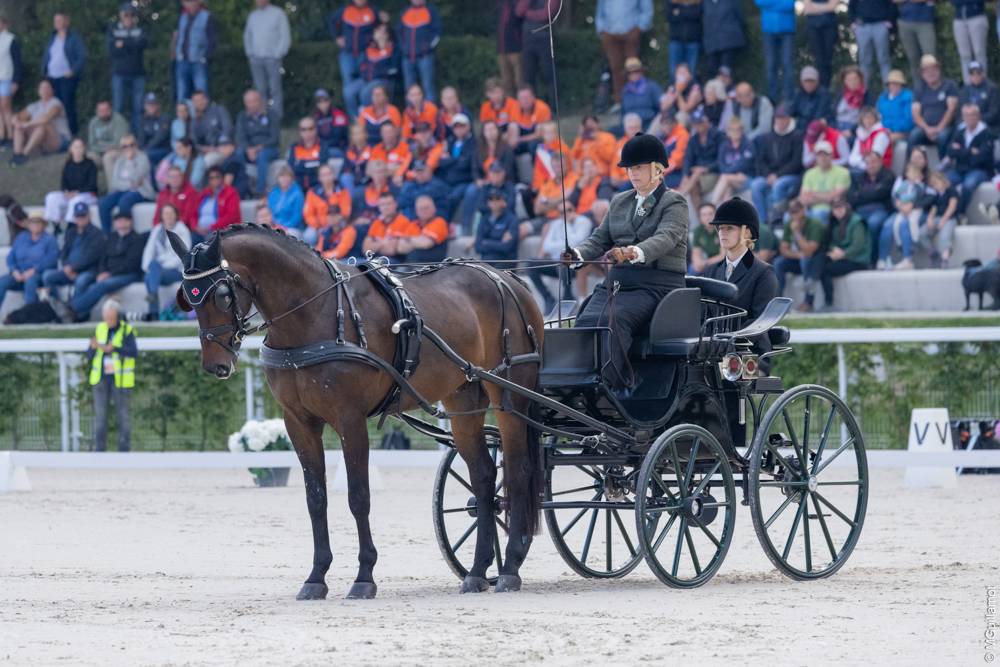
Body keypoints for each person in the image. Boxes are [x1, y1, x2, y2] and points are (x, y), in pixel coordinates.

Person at [564, 133, 689, 392]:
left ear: (658, 169)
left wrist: (633, 252)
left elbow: (666, 238)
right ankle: (576, 384)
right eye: (630, 168)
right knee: (586, 320)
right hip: (618, 282)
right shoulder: (620, 201)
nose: (633, 173)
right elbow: (599, 239)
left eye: (639, 167)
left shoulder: (674, 202)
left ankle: (612, 386)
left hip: (656, 284)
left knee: (615, 320)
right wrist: (577, 255)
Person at [704, 197, 778, 371]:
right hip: (712, 353)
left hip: (749, 353)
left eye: (729, 228)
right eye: (720, 228)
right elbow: (702, 317)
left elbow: (760, 321)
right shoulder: (711, 272)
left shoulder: (763, 273)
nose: (722, 233)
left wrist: (726, 339)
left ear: (747, 232)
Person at [51, 211, 144, 323]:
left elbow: (131, 264)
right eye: (118, 220)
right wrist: (102, 272)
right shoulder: (112, 237)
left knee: (102, 285)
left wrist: (109, 274)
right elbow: (103, 258)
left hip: (129, 274)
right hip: (108, 273)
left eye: (124, 220)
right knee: (86, 282)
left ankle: (71, 308)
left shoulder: (137, 239)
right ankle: (78, 315)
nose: (121, 223)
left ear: (130, 222)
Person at [87, 300, 136, 452]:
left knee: (123, 417)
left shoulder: (126, 330)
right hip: (101, 379)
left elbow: (133, 352)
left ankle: (124, 450)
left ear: (118, 316)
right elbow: (89, 355)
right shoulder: (100, 328)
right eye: (106, 318)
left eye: (111, 318)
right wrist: (94, 348)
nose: (108, 321)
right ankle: (99, 450)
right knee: (100, 417)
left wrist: (115, 348)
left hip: (120, 380)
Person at [529, 200, 593, 311]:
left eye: (569, 210)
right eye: (562, 212)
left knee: (564, 260)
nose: (566, 214)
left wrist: (567, 224)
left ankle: (567, 297)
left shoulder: (584, 221)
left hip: (575, 264)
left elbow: (576, 243)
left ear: (574, 209)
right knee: (531, 263)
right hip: (556, 262)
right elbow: (547, 246)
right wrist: (563, 246)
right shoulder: (555, 224)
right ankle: (548, 298)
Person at [750, 104, 804, 225]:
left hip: (790, 175)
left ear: (789, 119)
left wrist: (778, 175)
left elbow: (796, 162)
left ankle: (778, 219)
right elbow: (761, 160)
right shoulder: (767, 137)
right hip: (770, 175)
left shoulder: (797, 136)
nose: (780, 121)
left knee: (779, 185)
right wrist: (768, 175)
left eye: (783, 118)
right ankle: (763, 221)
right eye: (778, 118)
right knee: (755, 185)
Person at [330, 0, 382, 117]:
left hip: (365, 54)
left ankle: (368, 117)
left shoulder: (373, 11)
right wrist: (337, 37)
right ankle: (355, 119)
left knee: (366, 86)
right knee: (348, 87)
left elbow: (381, 29)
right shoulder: (345, 10)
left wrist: (374, 43)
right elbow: (332, 21)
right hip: (347, 54)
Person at [817, 197, 870, 309]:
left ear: (846, 207)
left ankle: (829, 302)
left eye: (841, 207)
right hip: (843, 257)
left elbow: (857, 246)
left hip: (857, 260)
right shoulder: (835, 223)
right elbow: (831, 242)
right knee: (820, 259)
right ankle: (811, 282)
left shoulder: (857, 222)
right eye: (835, 208)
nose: (838, 210)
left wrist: (842, 254)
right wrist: (834, 249)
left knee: (825, 270)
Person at [42, 202, 105, 296]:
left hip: (89, 270)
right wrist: (66, 267)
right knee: (47, 276)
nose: (80, 218)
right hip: (69, 270)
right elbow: (64, 252)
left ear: (89, 215)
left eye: (83, 215)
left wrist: (73, 268)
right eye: (77, 216)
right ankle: (57, 302)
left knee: (81, 281)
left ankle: (77, 305)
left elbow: (91, 256)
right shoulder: (71, 232)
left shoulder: (96, 234)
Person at [596, 0, 651, 107]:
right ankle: (620, 102)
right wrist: (601, 30)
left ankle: (639, 100)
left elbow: (647, 9)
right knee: (615, 68)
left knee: (633, 67)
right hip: (610, 32)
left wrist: (639, 28)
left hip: (631, 31)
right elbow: (600, 10)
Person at [141, 203, 191, 320]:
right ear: (162, 216)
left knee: (149, 276)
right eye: (166, 213)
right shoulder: (157, 229)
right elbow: (149, 249)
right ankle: (153, 297)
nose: (168, 216)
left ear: (176, 215)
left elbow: (183, 254)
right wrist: (146, 267)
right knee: (149, 273)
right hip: (159, 270)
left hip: (176, 270)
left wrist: (161, 266)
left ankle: (153, 312)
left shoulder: (182, 230)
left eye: (171, 213)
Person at [774, 199, 824, 311]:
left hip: (817, 259)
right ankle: (778, 301)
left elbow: (810, 251)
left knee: (806, 262)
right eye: (791, 212)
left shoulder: (814, 224)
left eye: (796, 211)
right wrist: (798, 255)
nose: (794, 215)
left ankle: (808, 302)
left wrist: (797, 232)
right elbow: (783, 249)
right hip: (800, 258)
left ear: (803, 210)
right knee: (778, 263)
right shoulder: (789, 224)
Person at [243, 0, 291, 120]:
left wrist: (278, 54)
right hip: (256, 59)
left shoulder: (278, 13)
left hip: (272, 58)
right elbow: (247, 36)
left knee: (275, 89)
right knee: (260, 90)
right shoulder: (253, 16)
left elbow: (285, 35)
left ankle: (276, 119)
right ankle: (262, 118)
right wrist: (250, 53)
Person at [944, 103, 994, 215]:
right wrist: (970, 151)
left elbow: (982, 158)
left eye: (972, 115)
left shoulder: (986, 132)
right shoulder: (960, 131)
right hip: (960, 169)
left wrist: (960, 151)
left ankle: (959, 213)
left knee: (968, 185)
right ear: (963, 117)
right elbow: (950, 151)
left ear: (978, 115)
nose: (970, 118)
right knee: (944, 182)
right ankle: (944, 212)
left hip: (980, 170)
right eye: (966, 115)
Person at [0, 217, 58, 311]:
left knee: (30, 282)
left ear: (43, 225)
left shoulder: (49, 240)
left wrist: (34, 270)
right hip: (19, 274)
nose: (35, 225)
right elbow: (10, 257)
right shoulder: (21, 237)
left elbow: (51, 260)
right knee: (2, 282)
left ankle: (30, 313)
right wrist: (14, 271)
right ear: (28, 225)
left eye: (38, 222)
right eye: (32, 222)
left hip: (39, 275)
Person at [99, 135, 154, 233]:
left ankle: (127, 234)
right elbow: (114, 183)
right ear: (121, 148)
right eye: (125, 146)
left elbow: (136, 177)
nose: (129, 148)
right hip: (123, 191)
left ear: (136, 145)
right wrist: (130, 184)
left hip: (141, 191)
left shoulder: (143, 158)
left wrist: (130, 161)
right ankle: (106, 235)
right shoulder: (120, 161)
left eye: (131, 145)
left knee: (124, 202)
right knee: (103, 203)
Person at [42, 12, 85, 136]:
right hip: (52, 77)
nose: (57, 23)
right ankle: (57, 134)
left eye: (59, 20)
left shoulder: (73, 38)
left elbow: (81, 56)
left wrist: (73, 70)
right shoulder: (52, 37)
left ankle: (72, 134)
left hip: (66, 78)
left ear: (66, 21)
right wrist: (44, 71)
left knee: (67, 106)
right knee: (54, 106)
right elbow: (47, 56)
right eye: (55, 20)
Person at [848, 150, 895, 259]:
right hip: (860, 210)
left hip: (880, 209)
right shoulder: (859, 177)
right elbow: (851, 197)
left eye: (874, 162)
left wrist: (860, 194)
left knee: (873, 223)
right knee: (852, 223)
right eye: (868, 163)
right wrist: (871, 192)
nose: (871, 165)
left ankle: (872, 258)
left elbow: (881, 194)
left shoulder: (888, 175)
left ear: (880, 162)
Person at [348, 22, 400, 118]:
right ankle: (357, 118)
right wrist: (364, 74)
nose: (380, 34)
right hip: (366, 79)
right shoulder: (369, 47)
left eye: (383, 31)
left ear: (388, 34)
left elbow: (394, 69)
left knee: (365, 93)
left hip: (383, 80)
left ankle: (369, 118)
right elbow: (362, 66)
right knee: (349, 91)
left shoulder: (393, 48)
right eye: (378, 31)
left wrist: (383, 48)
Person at [910, 54, 959, 155]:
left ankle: (944, 164)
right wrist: (927, 129)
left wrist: (939, 128)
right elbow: (915, 114)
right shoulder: (919, 88)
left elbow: (951, 110)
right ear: (922, 74)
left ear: (939, 70)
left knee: (942, 137)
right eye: (927, 71)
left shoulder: (949, 85)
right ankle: (912, 164)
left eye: (933, 70)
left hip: (946, 126)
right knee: (914, 136)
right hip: (925, 128)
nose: (930, 73)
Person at [107, 3, 146, 129]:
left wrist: (123, 44)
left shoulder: (140, 29)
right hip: (119, 74)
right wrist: (131, 44)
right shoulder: (113, 29)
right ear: (121, 15)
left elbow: (141, 46)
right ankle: (119, 136)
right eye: (126, 14)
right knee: (118, 107)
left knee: (138, 108)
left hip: (138, 74)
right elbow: (112, 51)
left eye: (131, 14)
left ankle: (137, 137)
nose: (129, 17)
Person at [235, 89, 280, 196]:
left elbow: (275, 138)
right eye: (249, 102)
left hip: (269, 148)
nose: (252, 104)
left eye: (254, 101)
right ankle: (241, 189)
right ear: (245, 103)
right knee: (238, 154)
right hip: (250, 149)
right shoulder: (242, 116)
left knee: (262, 155)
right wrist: (248, 149)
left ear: (260, 101)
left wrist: (258, 148)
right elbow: (240, 138)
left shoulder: (271, 114)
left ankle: (260, 190)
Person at [44, 138, 98, 225]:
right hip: (70, 194)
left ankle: (70, 225)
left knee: (75, 201)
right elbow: (64, 183)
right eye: (76, 147)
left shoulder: (90, 164)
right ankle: (56, 224)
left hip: (86, 194)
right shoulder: (68, 164)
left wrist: (77, 192)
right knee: (51, 197)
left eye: (80, 147)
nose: (78, 149)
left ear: (84, 149)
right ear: (71, 149)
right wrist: (66, 192)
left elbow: (92, 185)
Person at [677, 107, 722, 209]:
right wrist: (685, 175)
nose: (698, 126)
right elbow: (688, 158)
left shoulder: (718, 136)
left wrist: (705, 169)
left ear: (706, 122)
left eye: (700, 123)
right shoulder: (693, 139)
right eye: (696, 124)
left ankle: (680, 195)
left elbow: (722, 160)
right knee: (693, 183)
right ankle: (700, 216)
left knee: (695, 176)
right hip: (697, 175)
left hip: (713, 172)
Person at [173, 0, 217, 101]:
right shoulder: (183, 17)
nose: (189, 5)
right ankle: (184, 111)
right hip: (182, 60)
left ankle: (203, 112)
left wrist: (206, 58)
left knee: (201, 92)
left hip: (198, 61)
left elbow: (212, 40)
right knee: (182, 93)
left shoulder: (206, 17)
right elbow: (179, 37)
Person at [397, 0, 441, 101]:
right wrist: (403, 48)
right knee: (409, 88)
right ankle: (410, 111)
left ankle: (431, 109)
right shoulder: (405, 12)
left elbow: (437, 32)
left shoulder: (430, 11)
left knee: (428, 86)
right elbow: (399, 32)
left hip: (425, 56)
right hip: (407, 57)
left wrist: (428, 47)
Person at [799, 140, 850, 225]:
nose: (822, 158)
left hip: (830, 209)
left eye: (825, 154)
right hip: (810, 209)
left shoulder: (843, 172)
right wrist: (825, 196)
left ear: (832, 156)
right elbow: (803, 199)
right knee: (790, 216)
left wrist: (813, 194)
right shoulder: (809, 173)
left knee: (818, 214)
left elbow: (833, 197)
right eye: (819, 155)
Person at [516, 0, 559, 99]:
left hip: (544, 38)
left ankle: (554, 105)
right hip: (528, 39)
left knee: (549, 74)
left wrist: (527, 13)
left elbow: (546, 15)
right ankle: (531, 104)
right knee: (528, 75)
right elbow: (518, 11)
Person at [755, 0, 795, 105]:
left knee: (787, 64)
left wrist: (770, 5)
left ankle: (789, 100)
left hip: (787, 30)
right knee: (770, 65)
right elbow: (760, 2)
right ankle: (772, 100)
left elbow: (790, 4)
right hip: (768, 30)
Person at [877, 177, 922, 270]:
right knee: (888, 225)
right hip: (901, 210)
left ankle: (908, 258)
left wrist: (912, 205)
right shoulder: (902, 182)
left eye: (915, 173)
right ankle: (883, 259)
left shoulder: (921, 184)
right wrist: (900, 206)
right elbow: (895, 196)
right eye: (910, 173)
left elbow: (926, 198)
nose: (912, 175)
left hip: (918, 210)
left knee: (904, 224)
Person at [709, 117, 755, 205]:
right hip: (732, 178)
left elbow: (744, 165)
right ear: (728, 132)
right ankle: (725, 212)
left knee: (725, 178)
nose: (736, 132)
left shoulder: (748, 144)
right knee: (727, 186)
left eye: (738, 129)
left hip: (746, 178)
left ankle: (711, 205)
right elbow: (721, 165)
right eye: (733, 130)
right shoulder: (724, 146)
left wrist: (727, 173)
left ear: (742, 130)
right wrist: (730, 173)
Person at [847, 0, 894, 88]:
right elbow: (851, 5)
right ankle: (862, 91)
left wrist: (889, 20)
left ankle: (889, 91)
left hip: (880, 24)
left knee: (884, 60)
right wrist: (852, 22)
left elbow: (890, 4)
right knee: (864, 61)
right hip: (862, 26)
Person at [438, 113, 477, 217]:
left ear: (468, 127)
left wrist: (450, 159)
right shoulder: (450, 141)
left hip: (465, 180)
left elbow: (465, 164)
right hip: (448, 180)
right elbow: (442, 163)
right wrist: (456, 160)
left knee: (453, 196)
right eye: (456, 127)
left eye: (462, 126)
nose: (459, 129)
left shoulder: (473, 142)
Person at [304, 164, 353, 245]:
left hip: (337, 224)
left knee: (345, 230)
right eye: (324, 175)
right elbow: (308, 214)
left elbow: (345, 212)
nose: (327, 177)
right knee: (308, 236)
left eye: (329, 174)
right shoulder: (312, 192)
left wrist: (333, 225)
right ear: (319, 178)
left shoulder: (342, 191)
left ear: (333, 175)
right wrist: (318, 227)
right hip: (318, 226)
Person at [920, 170, 959, 267]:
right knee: (922, 233)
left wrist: (943, 220)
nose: (935, 186)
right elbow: (934, 208)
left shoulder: (951, 190)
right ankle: (934, 254)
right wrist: (930, 219)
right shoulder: (936, 194)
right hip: (937, 218)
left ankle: (945, 258)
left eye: (936, 183)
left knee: (944, 236)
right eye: (932, 184)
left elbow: (952, 207)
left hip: (949, 218)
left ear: (942, 180)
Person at [475, 186, 520, 267]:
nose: (494, 202)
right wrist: (498, 243)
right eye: (491, 199)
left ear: (504, 201)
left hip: (505, 263)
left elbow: (506, 247)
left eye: (497, 198)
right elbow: (478, 247)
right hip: (486, 262)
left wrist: (486, 242)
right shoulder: (484, 219)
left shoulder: (512, 219)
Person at [394, 194, 449, 262]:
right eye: (420, 209)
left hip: (434, 265)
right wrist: (418, 241)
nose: (424, 211)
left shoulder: (439, 222)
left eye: (426, 208)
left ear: (434, 208)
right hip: (413, 264)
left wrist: (408, 239)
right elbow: (400, 248)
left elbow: (426, 243)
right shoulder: (414, 224)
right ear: (416, 211)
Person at [362, 191, 413, 262]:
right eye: (382, 205)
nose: (386, 207)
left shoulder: (404, 222)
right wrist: (383, 243)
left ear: (395, 204)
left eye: (389, 204)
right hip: (374, 259)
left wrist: (376, 244)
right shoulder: (376, 223)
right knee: (351, 263)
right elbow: (365, 249)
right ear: (379, 207)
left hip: (395, 261)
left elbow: (391, 250)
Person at [896, 0, 936, 85]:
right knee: (913, 59)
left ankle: (934, 87)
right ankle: (919, 88)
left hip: (925, 21)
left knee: (930, 58)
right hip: (904, 22)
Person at [701, 0, 745, 76]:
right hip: (712, 42)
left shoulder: (732, 1)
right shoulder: (705, 3)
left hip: (729, 40)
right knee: (712, 69)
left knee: (725, 69)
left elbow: (739, 16)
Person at [190, 90, 232, 168]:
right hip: (205, 151)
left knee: (204, 163)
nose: (199, 103)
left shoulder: (218, 110)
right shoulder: (194, 120)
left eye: (201, 99)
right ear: (193, 103)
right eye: (196, 101)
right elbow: (193, 142)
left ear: (207, 99)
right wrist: (204, 149)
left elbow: (227, 128)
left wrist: (221, 145)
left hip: (222, 148)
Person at [194, 166, 240, 238]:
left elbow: (231, 216)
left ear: (222, 178)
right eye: (211, 178)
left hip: (222, 231)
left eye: (217, 177)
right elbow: (193, 213)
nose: (214, 180)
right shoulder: (204, 193)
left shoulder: (231, 193)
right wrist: (195, 227)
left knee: (209, 239)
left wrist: (212, 227)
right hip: (200, 230)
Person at [287, 116, 331, 191]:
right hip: (298, 186)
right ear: (299, 132)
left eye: (310, 128)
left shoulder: (322, 146)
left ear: (315, 130)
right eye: (303, 129)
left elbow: (322, 166)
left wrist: (302, 164)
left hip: (318, 186)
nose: (307, 132)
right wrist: (313, 164)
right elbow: (292, 168)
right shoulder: (294, 147)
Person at [88, 100, 130, 175]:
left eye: (106, 110)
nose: (104, 113)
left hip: (119, 153)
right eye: (101, 111)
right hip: (99, 153)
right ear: (96, 111)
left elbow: (119, 143)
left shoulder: (119, 120)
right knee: (88, 156)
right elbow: (92, 144)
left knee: (108, 157)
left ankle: (113, 183)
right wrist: (106, 148)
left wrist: (100, 144)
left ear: (111, 109)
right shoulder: (93, 122)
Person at [0, 14, 24, 149]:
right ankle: (2, 135)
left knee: (6, 107)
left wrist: (16, 81)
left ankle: (10, 136)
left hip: (7, 78)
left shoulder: (10, 39)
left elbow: (17, 62)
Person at [802, 1, 838, 88]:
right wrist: (825, 8)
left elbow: (833, 6)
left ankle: (826, 87)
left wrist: (815, 8)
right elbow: (808, 8)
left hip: (829, 25)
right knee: (818, 59)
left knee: (828, 59)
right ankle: (820, 88)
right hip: (813, 26)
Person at [952, 0, 988, 83]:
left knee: (979, 53)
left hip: (977, 16)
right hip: (959, 19)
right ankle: (968, 85)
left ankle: (983, 84)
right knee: (964, 56)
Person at [620, 57, 662, 128]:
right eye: (630, 73)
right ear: (627, 75)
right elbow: (623, 112)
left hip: (649, 123)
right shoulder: (625, 90)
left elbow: (661, 107)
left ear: (641, 72)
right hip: (630, 125)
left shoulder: (652, 86)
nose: (633, 74)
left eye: (636, 71)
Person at [154, 165, 199, 231]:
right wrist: (157, 228)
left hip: (183, 229)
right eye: (171, 177)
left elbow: (188, 216)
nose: (174, 179)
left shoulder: (191, 192)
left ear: (182, 178)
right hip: (163, 228)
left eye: (177, 176)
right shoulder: (162, 194)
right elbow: (157, 216)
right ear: (167, 179)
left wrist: (171, 226)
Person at [665, 1, 702, 81]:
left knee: (692, 72)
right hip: (676, 40)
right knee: (673, 73)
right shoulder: (672, 2)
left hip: (693, 40)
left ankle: (691, 89)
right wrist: (689, 12)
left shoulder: (698, 2)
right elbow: (669, 16)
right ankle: (675, 89)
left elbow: (697, 14)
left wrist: (679, 12)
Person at [848, 106, 892, 172]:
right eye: (865, 118)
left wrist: (860, 160)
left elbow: (875, 159)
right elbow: (852, 158)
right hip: (862, 166)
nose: (868, 120)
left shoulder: (881, 134)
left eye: (870, 118)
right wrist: (861, 161)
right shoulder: (860, 134)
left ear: (875, 119)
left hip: (880, 169)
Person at [959, 61, 1000, 128]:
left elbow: (993, 113)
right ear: (969, 76)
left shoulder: (992, 88)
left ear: (983, 74)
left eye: (978, 73)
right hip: (968, 124)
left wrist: (975, 121)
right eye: (972, 74)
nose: (975, 76)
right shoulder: (965, 90)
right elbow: (961, 110)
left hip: (988, 125)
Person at [267, 166, 305, 238]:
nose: (284, 179)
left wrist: (283, 227)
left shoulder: (297, 193)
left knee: (283, 235)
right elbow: (270, 212)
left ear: (291, 178)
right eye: (281, 176)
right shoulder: (273, 193)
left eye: (287, 176)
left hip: (292, 228)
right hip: (275, 226)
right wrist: (275, 225)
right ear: (277, 178)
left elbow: (297, 217)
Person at [877, 69, 915, 141]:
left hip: (903, 132)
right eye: (892, 84)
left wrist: (892, 129)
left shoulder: (908, 98)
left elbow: (909, 120)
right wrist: (885, 129)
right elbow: (878, 117)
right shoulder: (882, 99)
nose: (894, 86)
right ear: (888, 85)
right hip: (884, 131)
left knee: (884, 140)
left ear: (902, 85)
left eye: (897, 84)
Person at [371, 121, 412, 187]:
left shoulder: (406, 148)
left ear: (395, 132)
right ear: (381, 134)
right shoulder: (376, 149)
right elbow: (369, 170)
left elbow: (407, 167)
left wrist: (381, 169)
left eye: (390, 132)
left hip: (399, 182)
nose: (387, 135)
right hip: (380, 184)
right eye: (385, 132)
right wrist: (391, 168)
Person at [689, 202, 725, 275]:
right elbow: (695, 253)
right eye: (704, 215)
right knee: (693, 269)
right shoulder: (698, 231)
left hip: (723, 262)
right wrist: (697, 263)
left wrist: (705, 263)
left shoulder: (722, 229)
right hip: (708, 262)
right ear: (700, 217)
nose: (707, 217)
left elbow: (723, 256)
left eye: (710, 214)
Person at [496, 0, 523, 96]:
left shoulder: (517, 4)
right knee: (506, 81)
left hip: (515, 48)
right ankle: (510, 102)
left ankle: (521, 102)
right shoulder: (500, 5)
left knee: (519, 80)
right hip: (501, 49)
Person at [833, 65, 868, 137]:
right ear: (844, 81)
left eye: (855, 78)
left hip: (855, 129)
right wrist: (834, 130)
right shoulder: (839, 94)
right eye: (849, 79)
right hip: (837, 126)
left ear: (860, 79)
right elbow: (831, 114)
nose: (852, 82)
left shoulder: (866, 95)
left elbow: (867, 116)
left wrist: (852, 131)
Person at [137, 93, 171, 167]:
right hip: (148, 150)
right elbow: (141, 138)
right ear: (145, 106)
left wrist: (144, 150)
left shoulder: (165, 118)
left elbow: (159, 138)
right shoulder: (144, 120)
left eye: (153, 104)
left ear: (158, 105)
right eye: (148, 104)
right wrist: (140, 149)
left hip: (163, 149)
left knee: (145, 155)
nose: (151, 107)